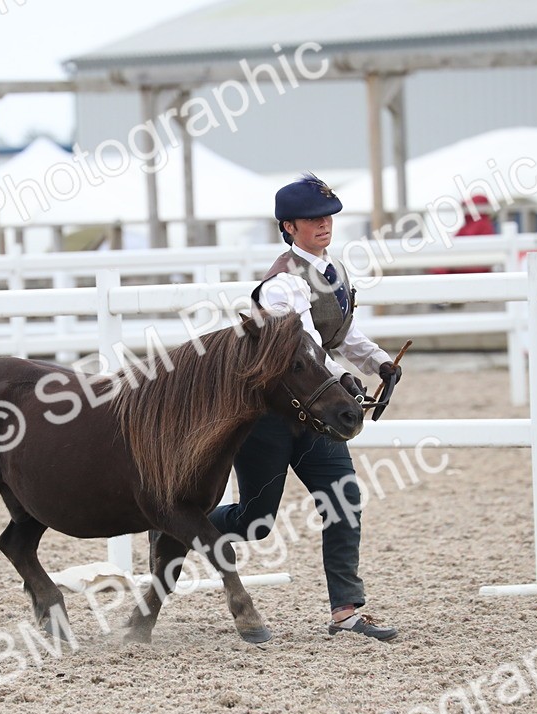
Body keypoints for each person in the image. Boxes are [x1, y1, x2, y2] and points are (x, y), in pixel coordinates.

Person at [156, 173, 403, 640]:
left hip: (314, 412)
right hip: (271, 418)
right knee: (256, 521)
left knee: (345, 499)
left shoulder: (335, 273)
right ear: (289, 227)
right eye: (312, 219)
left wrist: (381, 363)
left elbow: (341, 334)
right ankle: (183, 525)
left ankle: (346, 612)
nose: (324, 225)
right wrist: (340, 379)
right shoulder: (280, 285)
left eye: (328, 217)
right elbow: (304, 341)